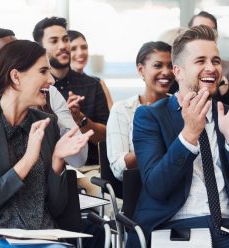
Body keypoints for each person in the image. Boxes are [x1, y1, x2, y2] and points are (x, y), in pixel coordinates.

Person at [126, 25, 229, 248]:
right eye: (200, 61)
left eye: (216, 61)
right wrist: (189, 135)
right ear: (178, 71)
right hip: (173, 230)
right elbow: (157, 187)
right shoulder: (150, 116)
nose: (211, 68)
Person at [0, 40, 92, 248]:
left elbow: (56, 209)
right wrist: (28, 160)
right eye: (43, 71)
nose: (51, 80)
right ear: (15, 77)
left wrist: (58, 160)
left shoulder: (47, 124)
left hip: (44, 237)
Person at [33, 17, 109, 195]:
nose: (63, 46)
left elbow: (105, 138)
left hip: (88, 169)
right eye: (54, 41)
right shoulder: (36, 89)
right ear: (39, 47)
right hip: (47, 171)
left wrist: (80, 118)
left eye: (66, 39)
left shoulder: (91, 85)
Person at [0, 28, 88, 167]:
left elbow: (78, 160)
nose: (51, 80)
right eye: (2, 55)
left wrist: (52, 121)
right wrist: (28, 160)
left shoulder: (48, 94)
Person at [106, 41, 174, 180]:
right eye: (158, 65)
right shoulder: (123, 110)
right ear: (141, 69)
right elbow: (118, 169)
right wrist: (151, 145)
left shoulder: (182, 106)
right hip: (139, 188)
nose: (166, 72)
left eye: (171, 66)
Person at [68, 30, 114, 110]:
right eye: (73, 49)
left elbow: (113, 118)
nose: (80, 52)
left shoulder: (99, 83)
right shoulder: (55, 85)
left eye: (84, 47)